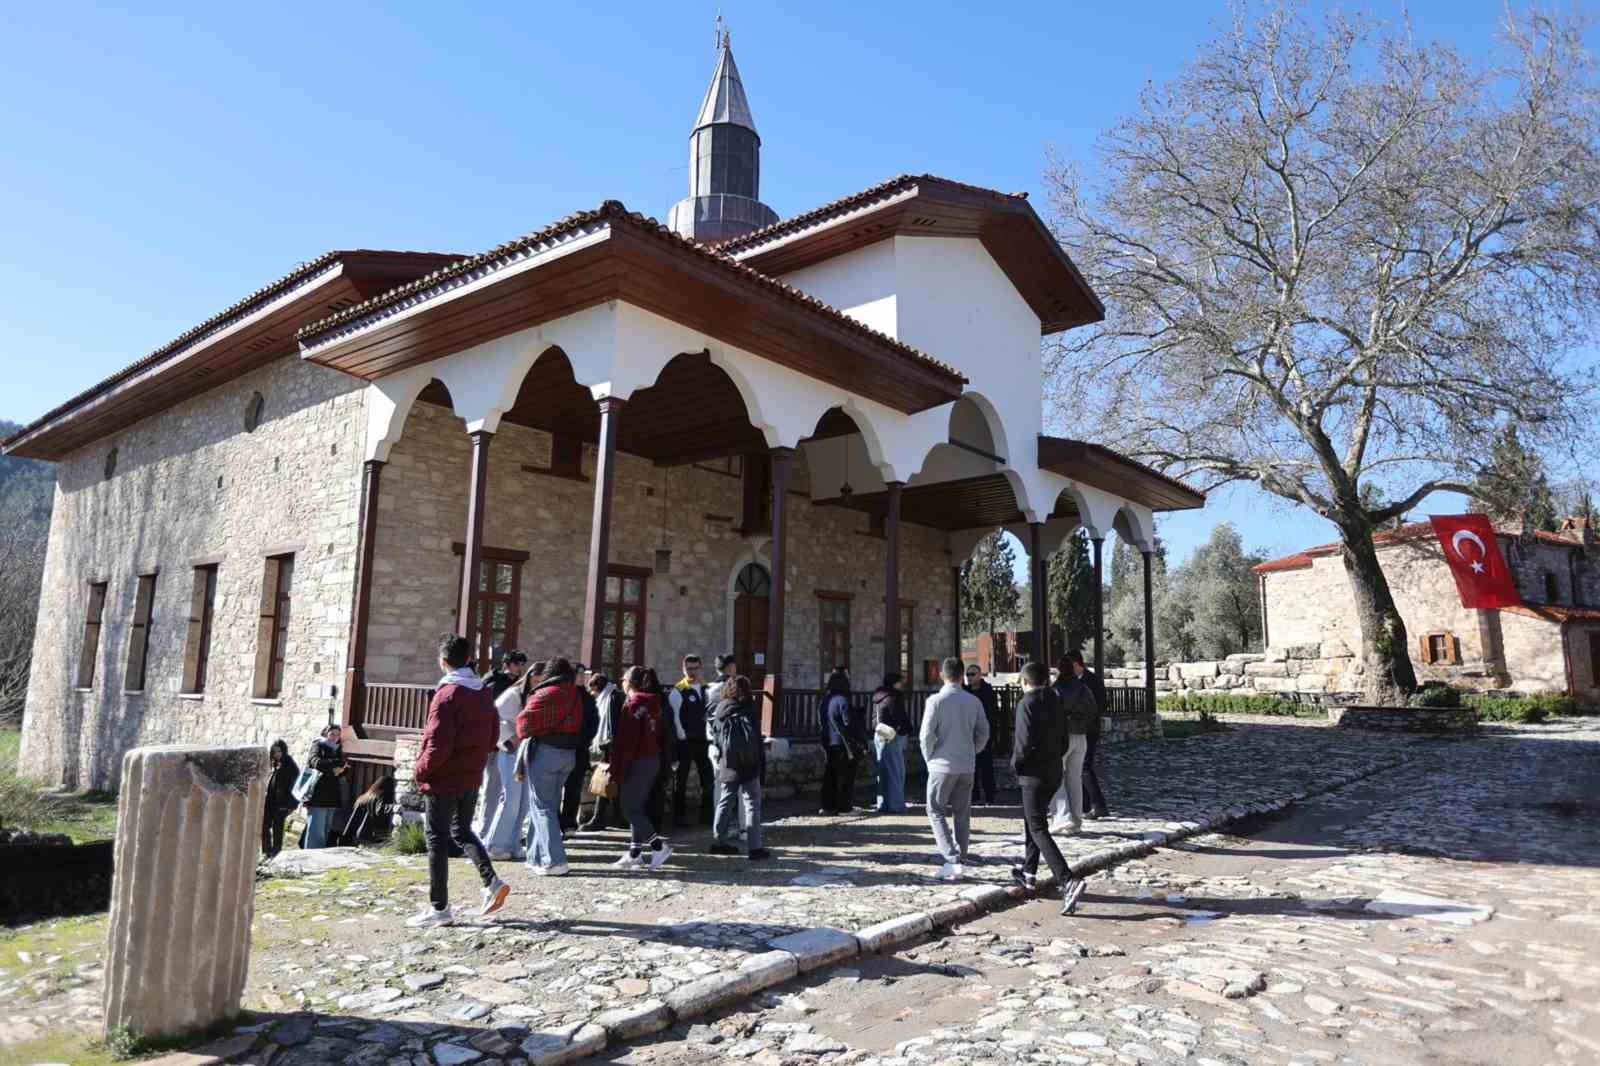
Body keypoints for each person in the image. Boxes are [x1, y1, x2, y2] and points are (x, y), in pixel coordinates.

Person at [405, 634, 511, 927]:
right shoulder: (483, 692)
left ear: (443, 662)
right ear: (469, 660)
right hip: (471, 775)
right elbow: (493, 734)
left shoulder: (447, 694)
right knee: (462, 830)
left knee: (437, 839)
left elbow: (437, 743)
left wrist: (420, 771)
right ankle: (492, 882)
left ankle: (439, 908)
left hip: (444, 777)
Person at [1010, 661, 1086, 915]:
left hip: (1033, 774)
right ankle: (1029, 872)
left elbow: (1022, 743)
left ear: (1024, 682)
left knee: (1038, 827)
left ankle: (1067, 880)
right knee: (1032, 820)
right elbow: (1064, 740)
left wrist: (1015, 766)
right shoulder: (1055, 700)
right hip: (1053, 771)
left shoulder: (1027, 703)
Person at [919, 657, 990, 880]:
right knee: (962, 812)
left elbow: (926, 735)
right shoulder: (973, 701)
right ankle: (962, 853)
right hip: (966, 764)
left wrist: (929, 759)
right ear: (961, 676)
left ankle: (951, 858)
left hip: (941, 764)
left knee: (935, 810)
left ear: (942, 675)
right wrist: (973, 751)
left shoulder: (935, 701)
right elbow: (984, 732)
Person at [513, 657, 584, 875]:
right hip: (569, 755)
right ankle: (535, 857)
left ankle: (555, 861)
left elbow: (522, 725)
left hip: (546, 754)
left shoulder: (545, 693)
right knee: (548, 806)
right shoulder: (575, 694)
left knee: (542, 807)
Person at [482, 661, 544, 857]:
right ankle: (495, 845)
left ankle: (512, 844)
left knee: (523, 802)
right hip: (511, 752)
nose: (539, 684)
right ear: (530, 676)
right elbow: (493, 716)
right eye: (537, 680)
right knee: (511, 799)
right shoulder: (513, 694)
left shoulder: (538, 696)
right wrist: (510, 739)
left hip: (527, 752)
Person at [612, 666, 672, 869]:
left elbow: (627, 741)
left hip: (637, 760)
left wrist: (618, 768)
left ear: (629, 682)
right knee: (637, 807)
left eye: (623, 680)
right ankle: (635, 853)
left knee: (628, 808)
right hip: (652, 759)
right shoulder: (653, 703)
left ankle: (658, 846)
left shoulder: (634, 704)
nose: (621, 683)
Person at [708, 675, 770, 860]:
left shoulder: (721, 708)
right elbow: (757, 739)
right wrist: (761, 764)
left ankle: (719, 842)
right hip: (749, 763)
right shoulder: (749, 708)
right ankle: (755, 848)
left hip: (728, 763)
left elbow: (716, 737)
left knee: (725, 801)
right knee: (752, 803)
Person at [1049, 656, 1100, 834]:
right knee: (1075, 779)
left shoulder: (1056, 689)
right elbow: (1093, 711)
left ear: (1059, 670)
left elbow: (1052, 713)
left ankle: (1062, 817)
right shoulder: (1083, 688)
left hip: (1062, 737)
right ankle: (1077, 820)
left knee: (1055, 776)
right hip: (1081, 736)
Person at [667, 655, 715, 827]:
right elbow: (675, 718)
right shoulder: (678, 690)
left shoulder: (707, 688)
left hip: (704, 741)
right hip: (685, 743)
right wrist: (683, 737)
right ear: (683, 669)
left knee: (708, 779)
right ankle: (679, 817)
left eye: (695, 668)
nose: (692, 672)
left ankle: (707, 816)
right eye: (688, 668)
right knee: (681, 781)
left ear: (701, 668)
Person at [580, 672, 628, 831]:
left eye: (593, 690)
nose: (592, 694)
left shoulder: (612, 698)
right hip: (612, 746)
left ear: (598, 687)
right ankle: (618, 817)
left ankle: (599, 818)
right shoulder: (613, 695)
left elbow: (613, 724)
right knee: (612, 782)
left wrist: (609, 744)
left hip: (610, 747)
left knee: (604, 781)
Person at [1068, 650, 1110, 818]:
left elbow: (1100, 705)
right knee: (1076, 767)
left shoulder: (1093, 681)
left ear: (1076, 664)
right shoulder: (1070, 681)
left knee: (1085, 766)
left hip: (1088, 730)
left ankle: (1098, 805)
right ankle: (1085, 805)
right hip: (1074, 730)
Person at [561, 663, 599, 832]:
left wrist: (584, 739)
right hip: (561, 748)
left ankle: (569, 823)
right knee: (555, 790)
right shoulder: (562, 694)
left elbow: (593, 722)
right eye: (579, 673)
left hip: (579, 749)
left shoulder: (587, 698)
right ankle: (554, 823)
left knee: (574, 788)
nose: (582, 677)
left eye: (584, 674)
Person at [817, 668, 859, 814]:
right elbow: (848, 722)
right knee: (844, 776)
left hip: (827, 741)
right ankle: (844, 807)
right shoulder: (843, 700)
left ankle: (827, 806)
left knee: (830, 774)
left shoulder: (825, 700)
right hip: (841, 743)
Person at [871, 674, 911, 814]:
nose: (902, 685)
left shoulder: (878, 696)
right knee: (896, 771)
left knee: (882, 772)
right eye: (900, 682)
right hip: (891, 735)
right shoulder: (894, 696)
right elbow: (899, 716)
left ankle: (882, 804)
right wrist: (907, 729)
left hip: (879, 734)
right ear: (894, 683)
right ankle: (896, 805)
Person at [302, 725, 347, 849]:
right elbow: (315, 762)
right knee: (316, 831)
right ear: (325, 734)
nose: (335, 737)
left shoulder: (337, 748)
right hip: (318, 795)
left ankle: (318, 855)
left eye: (337, 735)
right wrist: (335, 764)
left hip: (332, 796)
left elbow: (343, 766)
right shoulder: (318, 745)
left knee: (325, 830)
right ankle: (311, 856)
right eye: (332, 734)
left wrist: (342, 769)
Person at [965, 664, 1001, 804]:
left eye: (972, 674)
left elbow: (992, 714)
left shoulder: (988, 691)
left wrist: (991, 735)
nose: (969, 677)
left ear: (979, 675)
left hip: (984, 732)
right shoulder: (965, 691)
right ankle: (974, 795)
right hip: (969, 733)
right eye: (968, 674)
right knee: (971, 767)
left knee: (986, 766)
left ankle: (990, 796)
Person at [262, 739, 298, 858]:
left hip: (282, 803)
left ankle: (276, 852)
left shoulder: (290, 765)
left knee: (277, 828)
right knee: (265, 826)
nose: (276, 754)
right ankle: (266, 851)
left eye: (279, 751)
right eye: (274, 751)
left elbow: (295, 786)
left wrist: (292, 804)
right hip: (270, 801)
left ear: (284, 751)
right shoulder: (274, 764)